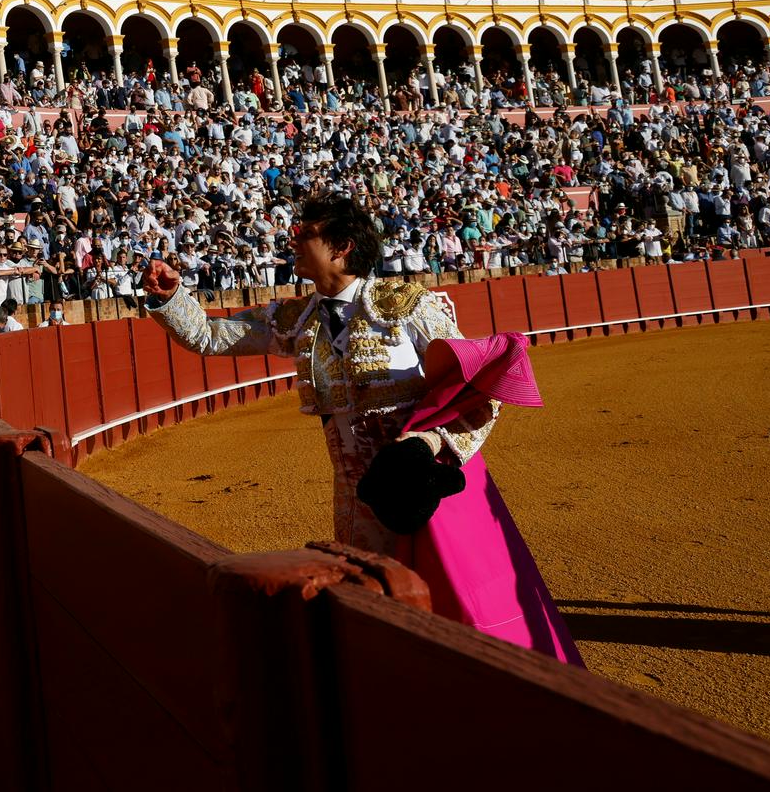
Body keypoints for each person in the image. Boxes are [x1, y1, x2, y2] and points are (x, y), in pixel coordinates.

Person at [138, 194, 581, 662]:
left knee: (454, 601)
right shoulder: (296, 319)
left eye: (307, 234)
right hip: (355, 496)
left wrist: (428, 444)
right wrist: (170, 298)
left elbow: (479, 391)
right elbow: (210, 336)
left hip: (423, 483)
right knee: (373, 600)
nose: (293, 241)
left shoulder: (406, 305)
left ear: (342, 246)